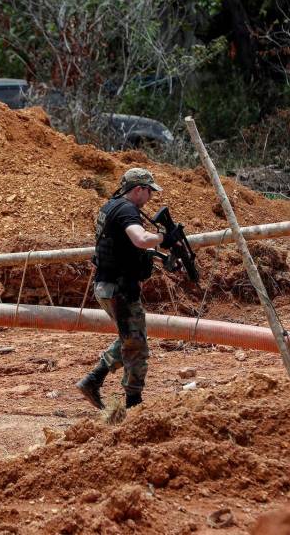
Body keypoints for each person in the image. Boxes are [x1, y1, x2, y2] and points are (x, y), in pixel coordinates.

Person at [76, 168, 179, 410]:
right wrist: (163, 238)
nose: (151, 197)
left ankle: (93, 380)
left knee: (131, 337)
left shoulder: (111, 206)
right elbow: (140, 239)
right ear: (139, 189)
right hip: (119, 289)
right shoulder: (127, 210)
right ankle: (134, 403)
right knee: (136, 346)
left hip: (106, 286)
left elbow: (122, 246)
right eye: (150, 191)